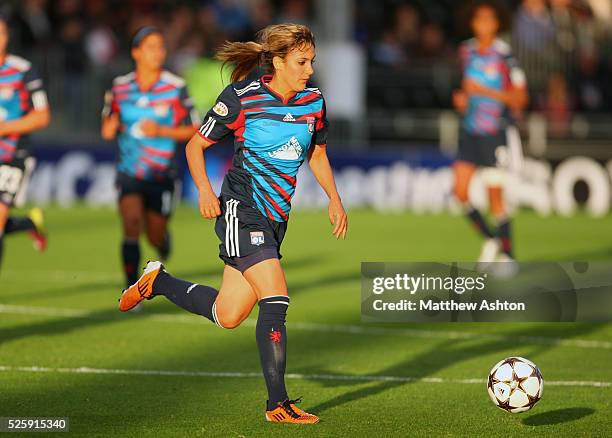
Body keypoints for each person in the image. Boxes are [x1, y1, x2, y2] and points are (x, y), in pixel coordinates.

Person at [118, 23, 347, 424]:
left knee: (229, 314)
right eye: (301, 61)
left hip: (277, 218)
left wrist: (334, 198)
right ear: (277, 61)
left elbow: (317, 154)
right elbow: (195, 145)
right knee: (276, 298)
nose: (309, 69)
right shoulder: (242, 98)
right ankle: (277, 403)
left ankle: (157, 282)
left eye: (312, 61)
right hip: (242, 210)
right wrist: (206, 192)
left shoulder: (314, 101)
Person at [101, 26, 199, 288]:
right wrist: (109, 127)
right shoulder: (120, 87)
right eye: (151, 47)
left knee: (154, 235)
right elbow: (108, 121)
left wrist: (162, 130)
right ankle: (132, 290)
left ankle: (162, 241)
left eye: (161, 47)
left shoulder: (175, 87)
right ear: (136, 52)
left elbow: (196, 128)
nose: (158, 53)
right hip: (130, 171)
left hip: (162, 172)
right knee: (131, 223)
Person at [453, 2, 528, 265]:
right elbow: (465, 89)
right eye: (479, 19)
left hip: (494, 131)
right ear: (472, 22)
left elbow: (520, 99)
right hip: (469, 130)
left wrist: (484, 91)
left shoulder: (505, 56)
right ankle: (491, 239)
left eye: (489, 19)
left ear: (498, 23)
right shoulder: (466, 51)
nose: (484, 24)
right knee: (460, 192)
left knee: (495, 198)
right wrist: (462, 99)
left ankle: (508, 257)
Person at [0, 15, 50, 272]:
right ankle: (30, 223)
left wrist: (6, 127)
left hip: (12, 155)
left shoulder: (22, 70)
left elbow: (42, 115)